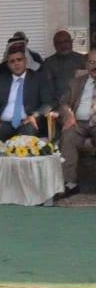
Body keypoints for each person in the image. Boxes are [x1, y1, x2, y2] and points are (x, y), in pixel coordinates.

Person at [0, 44, 53, 142]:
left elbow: (48, 103)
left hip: (27, 122)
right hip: (3, 124)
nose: (16, 63)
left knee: (27, 133)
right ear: (8, 64)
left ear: (25, 61)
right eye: (12, 61)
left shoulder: (38, 79)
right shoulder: (0, 81)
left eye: (19, 60)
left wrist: (35, 116)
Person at [56, 49, 96, 198]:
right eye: (92, 62)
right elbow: (63, 103)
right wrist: (68, 113)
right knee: (68, 135)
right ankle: (70, 183)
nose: (95, 66)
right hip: (78, 123)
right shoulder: (76, 82)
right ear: (87, 65)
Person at [43, 31, 87, 103]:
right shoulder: (48, 63)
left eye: (66, 41)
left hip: (81, 102)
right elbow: (47, 89)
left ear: (71, 42)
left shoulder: (83, 60)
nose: (63, 45)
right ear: (54, 45)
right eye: (59, 43)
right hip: (57, 104)